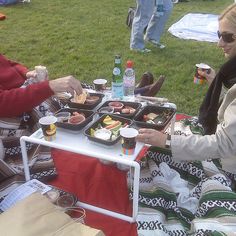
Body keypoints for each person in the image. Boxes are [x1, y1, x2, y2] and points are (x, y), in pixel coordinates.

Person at [132, 3, 236, 235]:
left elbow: (224, 143)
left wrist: (166, 141)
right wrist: (214, 82)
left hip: (229, 167)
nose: (220, 43)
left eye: (228, 37)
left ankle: (140, 94)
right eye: (219, 35)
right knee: (153, 147)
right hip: (226, 151)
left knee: (151, 150)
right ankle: (141, 94)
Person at [0, 54, 83, 185]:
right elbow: (3, 103)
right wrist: (49, 87)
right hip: (10, 116)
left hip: (22, 93)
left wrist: (26, 73)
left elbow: (8, 64)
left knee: (70, 102)